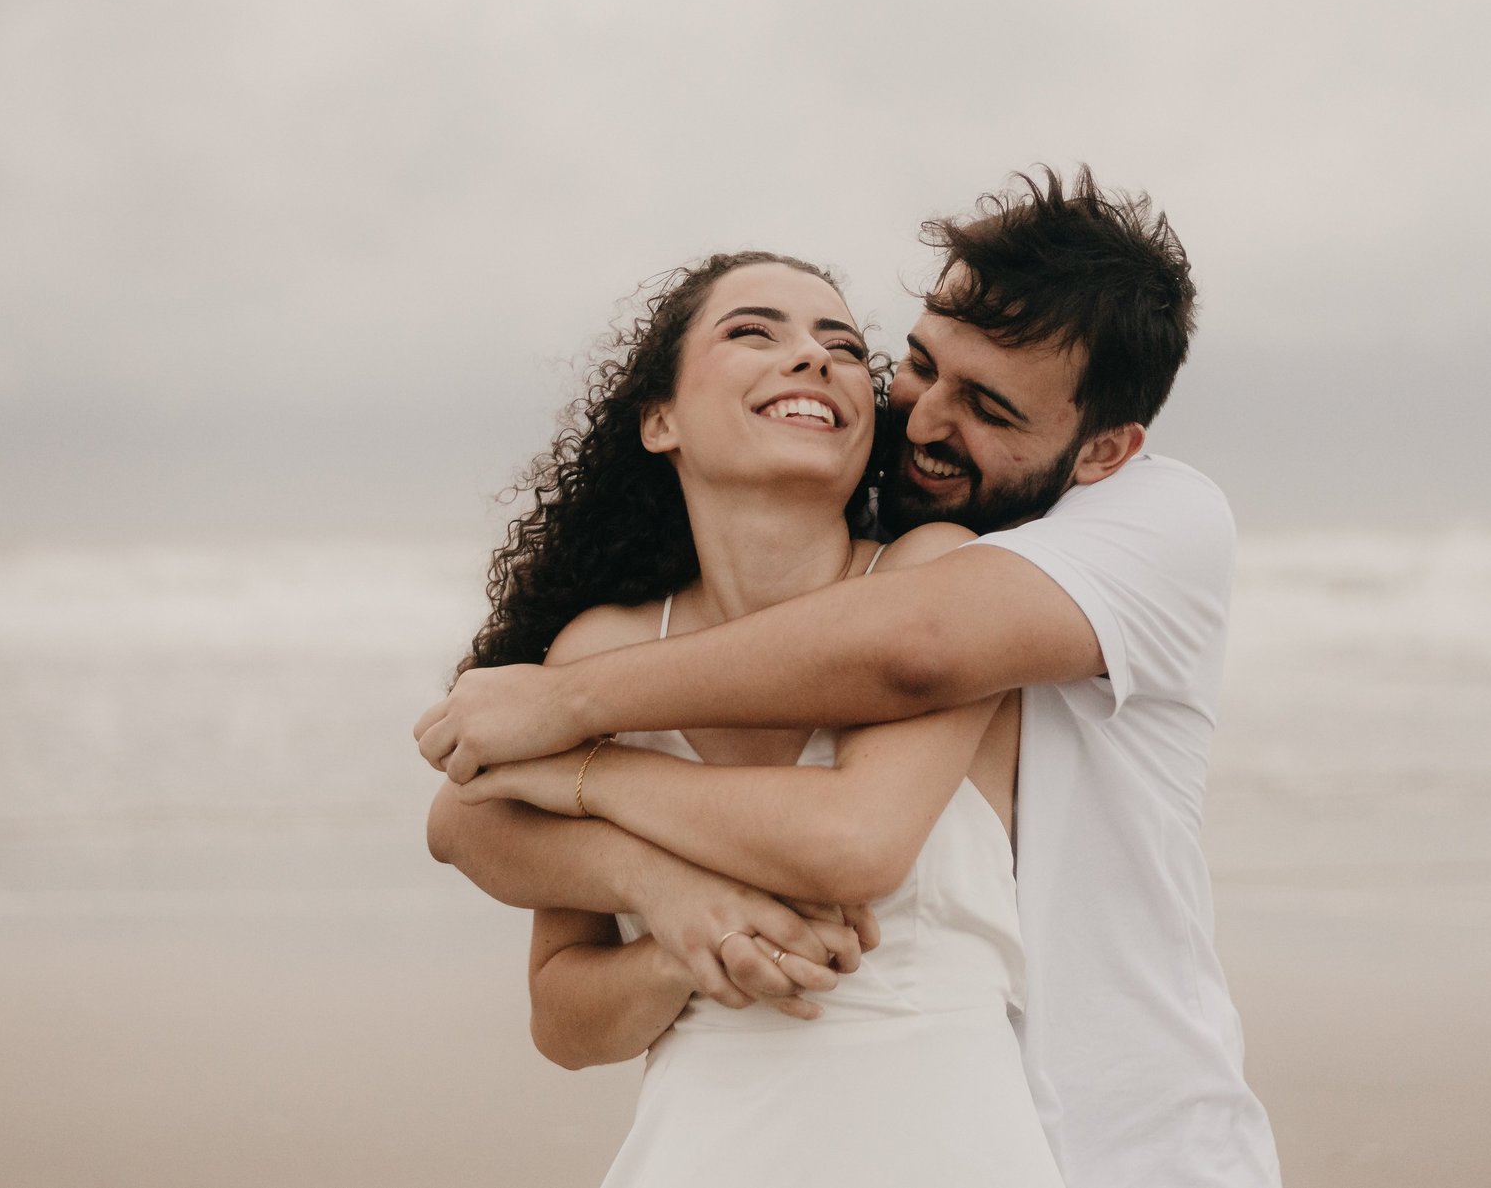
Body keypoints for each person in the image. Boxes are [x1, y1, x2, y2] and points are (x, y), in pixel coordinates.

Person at [421, 168, 1282, 1187]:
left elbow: (896, 695)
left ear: (1102, 449)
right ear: (659, 418)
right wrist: (664, 902)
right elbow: (472, 827)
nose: (917, 420)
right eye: (913, 365)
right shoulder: (620, 636)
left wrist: (574, 747)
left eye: (987, 408)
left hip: (1134, 1145)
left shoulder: (1141, 529)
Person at [432, 249, 1064, 1187]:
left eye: (844, 346)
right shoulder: (599, 646)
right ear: (660, 418)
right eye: (753, 332)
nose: (815, 358)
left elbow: (855, 842)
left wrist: (589, 777)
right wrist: (679, 926)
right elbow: (562, 1022)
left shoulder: (936, 575)